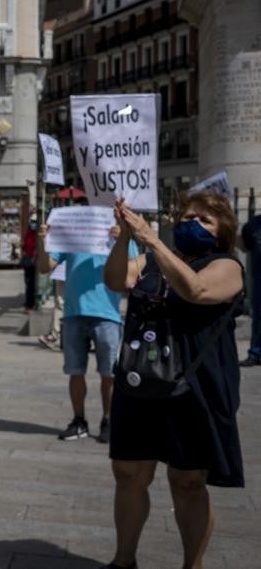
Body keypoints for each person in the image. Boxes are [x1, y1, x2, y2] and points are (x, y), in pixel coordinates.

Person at [103, 192, 245, 569]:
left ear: (223, 231)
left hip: (194, 386)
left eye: (204, 220)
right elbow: (116, 279)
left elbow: (195, 289)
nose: (191, 224)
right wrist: (125, 239)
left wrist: (150, 238)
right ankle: (123, 560)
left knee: (188, 480)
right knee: (129, 472)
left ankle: (192, 564)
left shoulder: (227, 265)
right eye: (186, 217)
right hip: (140, 381)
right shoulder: (148, 261)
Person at [38, 223, 135, 443]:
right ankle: (78, 420)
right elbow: (46, 266)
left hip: (107, 314)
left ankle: (109, 420)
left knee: (109, 373)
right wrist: (42, 241)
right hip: (74, 313)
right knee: (75, 371)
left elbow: (133, 271)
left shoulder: (119, 232)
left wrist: (123, 240)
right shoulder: (74, 232)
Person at [240, 212, 261, 368]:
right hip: (259, 279)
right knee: (259, 317)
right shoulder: (252, 225)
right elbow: (244, 247)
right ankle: (255, 353)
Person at [21, 217, 39, 313]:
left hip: (36, 262)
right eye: (32, 222)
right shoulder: (28, 234)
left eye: (35, 222)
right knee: (28, 283)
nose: (33, 224)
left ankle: (30, 304)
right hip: (28, 262)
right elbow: (25, 246)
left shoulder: (39, 234)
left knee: (32, 284)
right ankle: (29, 304)